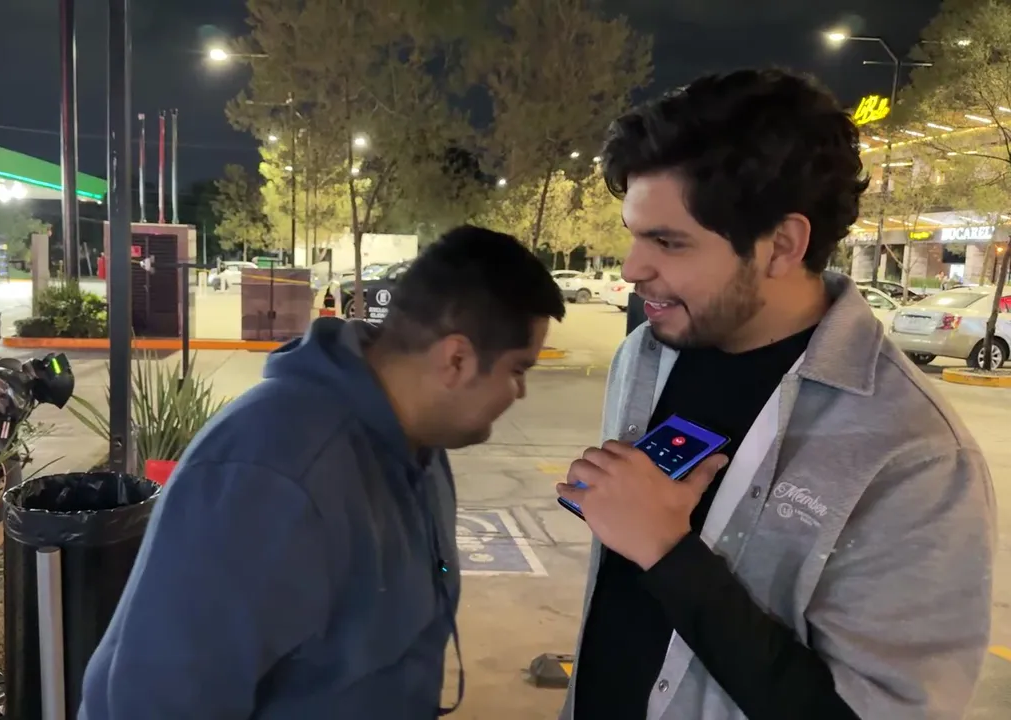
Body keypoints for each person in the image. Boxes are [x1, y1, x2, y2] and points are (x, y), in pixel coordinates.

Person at [556, 68, 995, 720]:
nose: (632, 267)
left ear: (782, 245)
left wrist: (669, 554)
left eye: (668, 242)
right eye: (634, 233)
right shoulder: (646, 354)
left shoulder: (914, 455)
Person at [81, 225, 566, 719]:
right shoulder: (275, 473)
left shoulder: (420, 445)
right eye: (518, 370)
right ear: (456, 359)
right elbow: (154, 702)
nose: (520, 393)